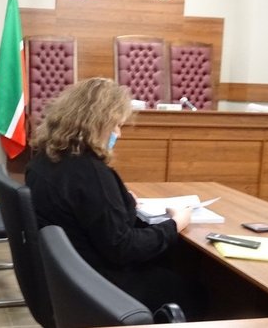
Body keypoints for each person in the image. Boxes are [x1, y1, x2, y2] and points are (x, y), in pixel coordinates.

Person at [25, 77, 207, 320]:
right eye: (116, 125)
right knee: (198, 292)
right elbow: (123, 247)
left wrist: (122, 200)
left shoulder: (44, 159)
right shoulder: (90, 171)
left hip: (65, 277)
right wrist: (174, 224)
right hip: (98, 285)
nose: (118, 134)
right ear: (97, 123)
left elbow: (87, 208)